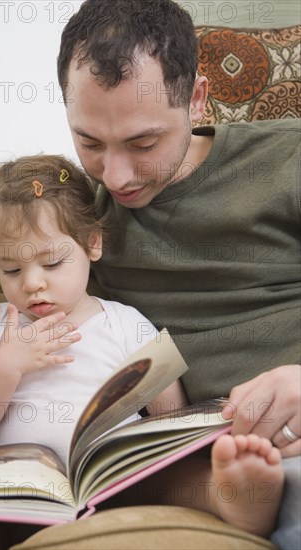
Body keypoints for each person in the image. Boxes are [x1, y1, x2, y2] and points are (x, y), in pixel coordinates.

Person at [0, 152, 285, 549]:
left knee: (170, 480)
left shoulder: (123, 322)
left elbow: (169, 416)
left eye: (52, 263)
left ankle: (230, 495)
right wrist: (6, 366)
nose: (32, 283)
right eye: (11, 270)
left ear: (92, 244)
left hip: (115, 476)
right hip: (22, 493)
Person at [56, 0, 300, 548]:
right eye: (90, 142)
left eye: (143, 143)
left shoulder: (287, 162)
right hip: (208, 456)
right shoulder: (77, 219)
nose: (115, 177)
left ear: (196, 98)